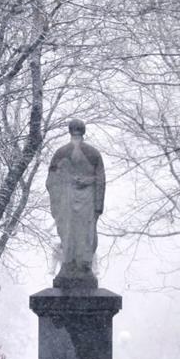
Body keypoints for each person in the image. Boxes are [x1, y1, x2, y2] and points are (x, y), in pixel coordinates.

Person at [46, 118, 105, 288]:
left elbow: (100, 180)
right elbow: (52, 180)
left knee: (81, 233)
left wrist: (97, 204)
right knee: (73, 233)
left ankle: (80, 265)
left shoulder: (74, 153)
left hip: (81, 201)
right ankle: (74, 264)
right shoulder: (67, 153)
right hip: (70, 200)